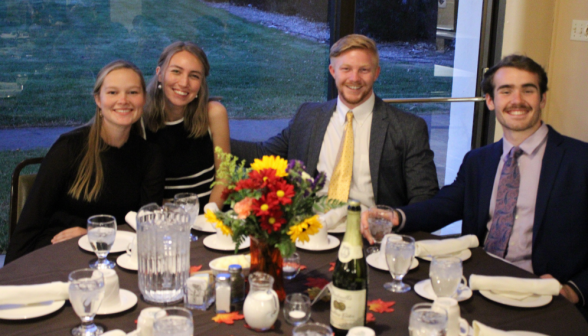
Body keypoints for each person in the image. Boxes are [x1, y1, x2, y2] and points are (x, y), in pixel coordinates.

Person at [361, 54, 588, 312]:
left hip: (544, 296)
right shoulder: (478, 161)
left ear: (542, 98)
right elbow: (443, 206)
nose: (517, 100)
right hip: (478, 286)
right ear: (490, 101)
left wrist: (573, 289)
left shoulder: (580, 161)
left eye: (528, 90)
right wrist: (395, 216)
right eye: (506, 91)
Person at [231, 34, 438, 214]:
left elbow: (425, 199)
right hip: (310, 229)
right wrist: (209, 135)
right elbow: (263, 153)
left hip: (370, 236)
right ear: (333, 71)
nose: (354, 78)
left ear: (376, 73)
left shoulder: (408, 128)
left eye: (364, 70)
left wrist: (392, 224)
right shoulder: (308, 116)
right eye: (346, 69)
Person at [5, 60, 165, 264]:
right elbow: (31, 222)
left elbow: (145, 227)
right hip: (58, 251)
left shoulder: (150, 156)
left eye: (133, 92)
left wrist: (94, 234)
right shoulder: (69, 147)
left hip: (117, 255)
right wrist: (9, 281)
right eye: (113, 93)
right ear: (98, 99)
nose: (123, 100)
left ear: (143, 98)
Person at [143, 41, 230, 211]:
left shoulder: (214, 113)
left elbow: (224, 178)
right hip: (163, 219)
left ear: (201, 84)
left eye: (194, 76)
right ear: (159, 74)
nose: (184, 83)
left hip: (210, 216)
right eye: (176, 71)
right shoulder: (140, 118)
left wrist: (208, 220)